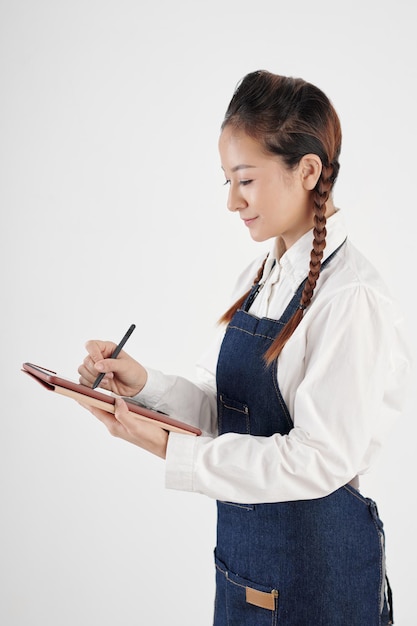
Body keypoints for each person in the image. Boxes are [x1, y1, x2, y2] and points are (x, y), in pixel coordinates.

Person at [78, 70, 411, 625]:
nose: (233, 201)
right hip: (246, 571)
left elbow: (318, 457)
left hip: (316, 584)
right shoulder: (263, 275)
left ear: (307, 170)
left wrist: (170, 448)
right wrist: (147, 387)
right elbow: (240, 414)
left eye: (246, 180)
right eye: (227, 182)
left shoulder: (351, 297)